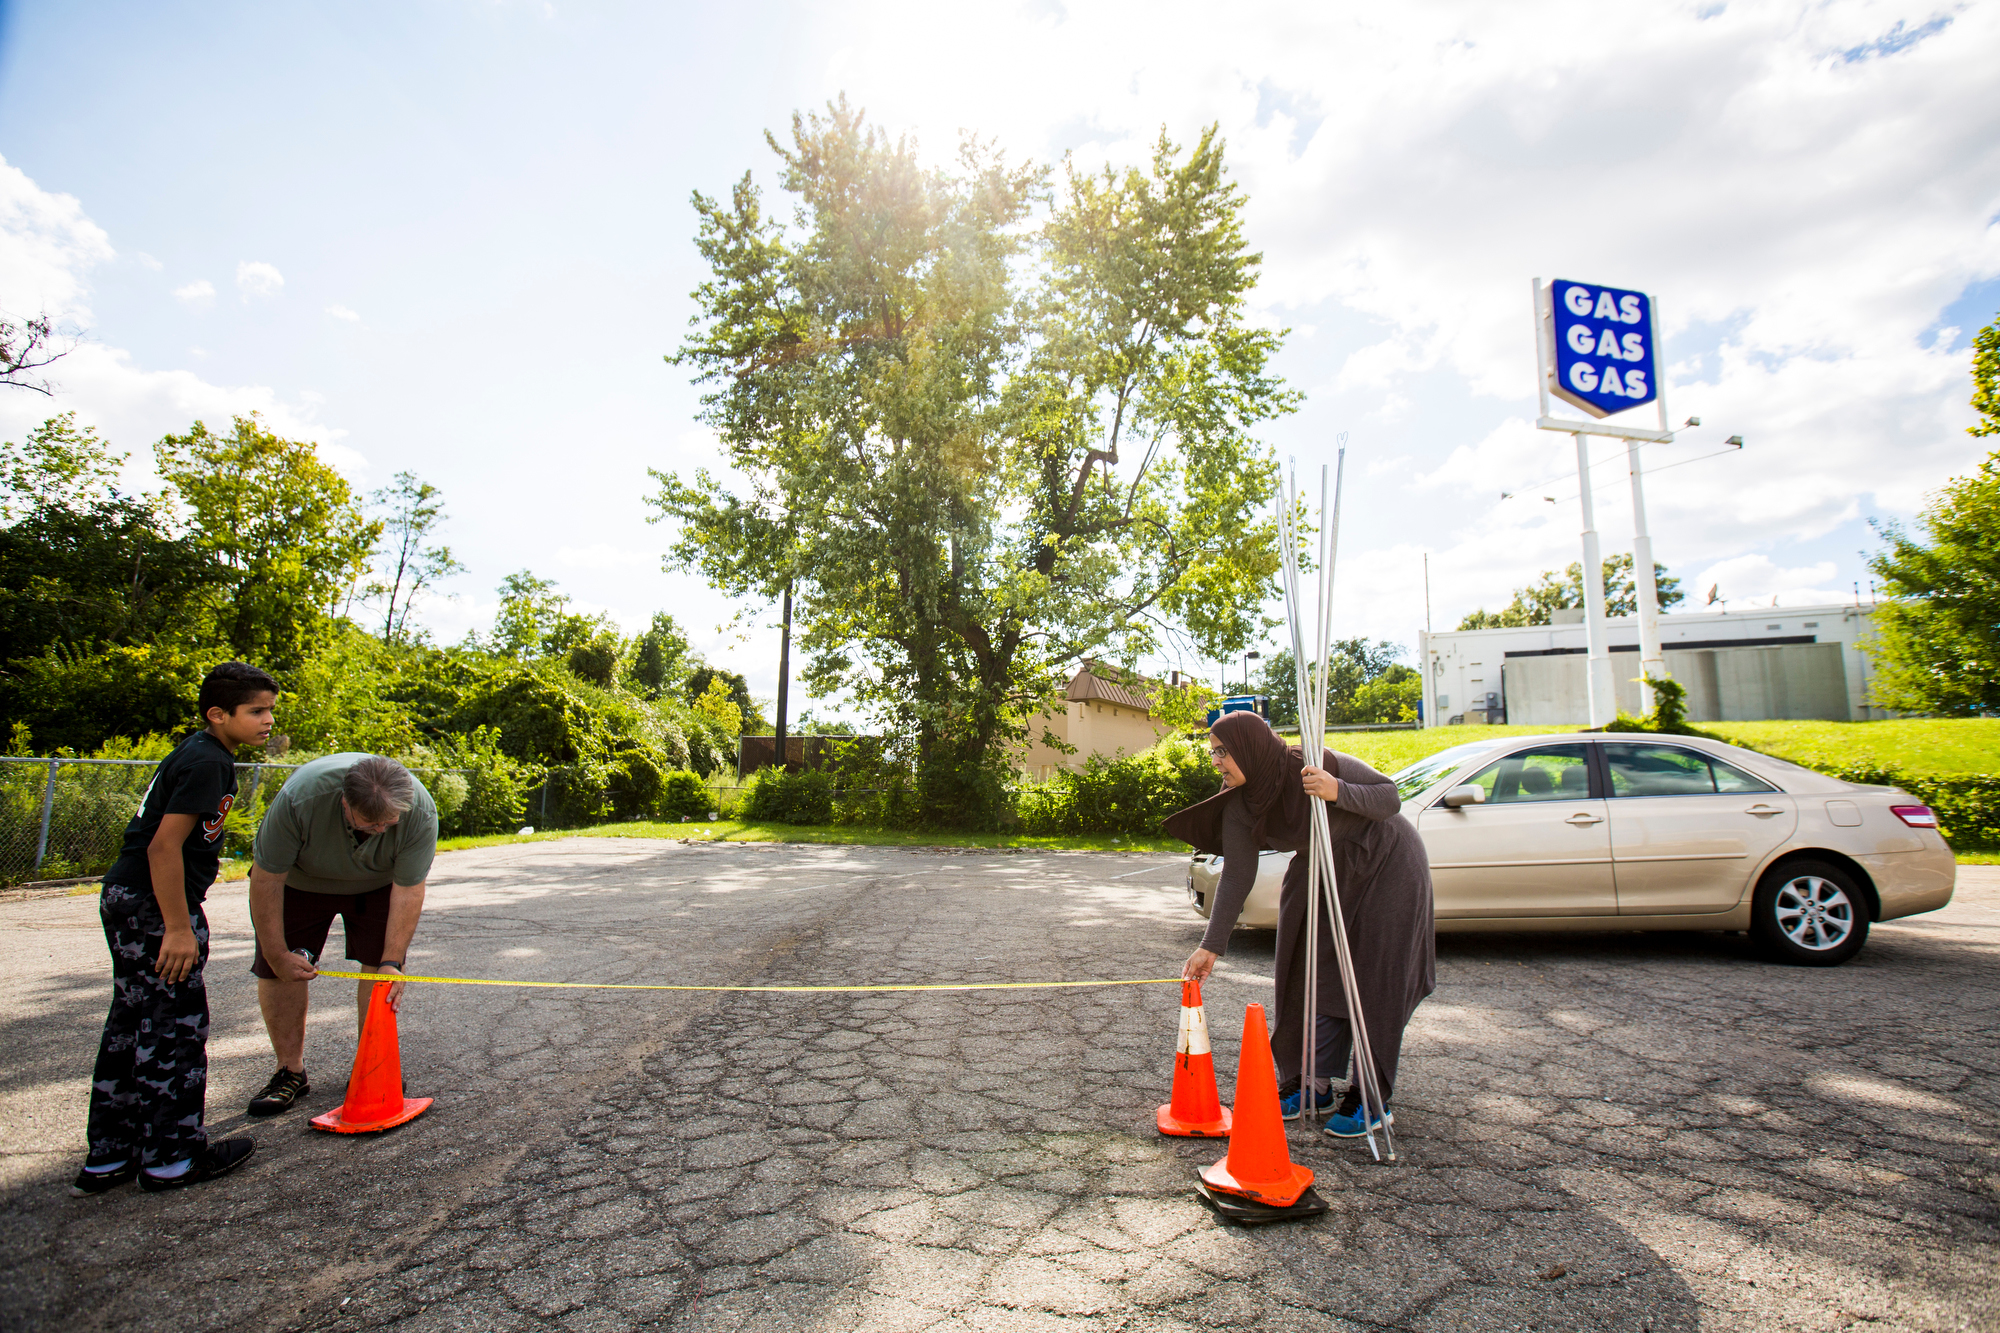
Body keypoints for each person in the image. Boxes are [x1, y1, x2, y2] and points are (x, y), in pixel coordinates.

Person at [1163, 709, 1435, 1139]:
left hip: (1386, 861)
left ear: (1250, 749)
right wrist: (1211, 944)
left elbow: (1389, 797)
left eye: (1222, 752)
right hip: (1320, 869)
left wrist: (1337, 790)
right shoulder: (1239, 804)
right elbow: (1236, 875)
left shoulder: (1313, 762)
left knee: (1375, 976)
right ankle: (1314, 1083)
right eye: (1212, 752)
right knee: (1305, 970)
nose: (1215, 761)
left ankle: (1371, 1094)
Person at [72, 662, 277, 1196]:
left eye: (270, 710)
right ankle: (171, 1158)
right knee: (174, 1029)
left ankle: (110, 1155)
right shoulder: (210, 762)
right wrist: (178, 928)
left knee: (131, 1020)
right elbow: (164, 847)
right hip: (155, 905)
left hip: (126, 895)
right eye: (257, 711)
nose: (267, 720)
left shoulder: (197, 752)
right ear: (219, 714)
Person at [244, 753, 438, 1116]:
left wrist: (392, 961)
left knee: (381, 971)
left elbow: (409, 888)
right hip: (302, 881)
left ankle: (370, 1070)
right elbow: (266, 878)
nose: (382, 829)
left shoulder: (420, 811)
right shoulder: (300, 800)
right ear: (345, 803)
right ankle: (289, 1071)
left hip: (379, 884)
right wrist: (276, 954)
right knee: (280, 968)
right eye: (371, 821)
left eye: (389, 821)